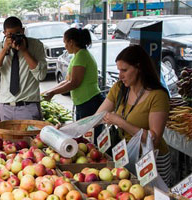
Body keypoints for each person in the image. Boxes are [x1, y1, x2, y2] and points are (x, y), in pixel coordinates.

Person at [96, 45, 171, 186]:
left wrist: (121, 122)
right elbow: (96, 117)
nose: (120, 76)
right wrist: (66, 128)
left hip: (152, 158)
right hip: (127, 155)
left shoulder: (157, 96)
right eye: (119, 70)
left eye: (124, 70)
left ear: (139, 68)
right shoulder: (119, 89)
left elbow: (153, 139)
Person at [43, 28, 104, 142]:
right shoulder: (77, 56)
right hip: (84, 102)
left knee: (89, 137)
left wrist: (53, 92)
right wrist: (50, 91)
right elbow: (67, 80)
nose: (65, 46)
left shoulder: (82, 56)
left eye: (65, 42)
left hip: (89, 102)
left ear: (71, 42)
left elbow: (74, 82)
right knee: (83, 135)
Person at [0, 16, 47, 120]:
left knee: (32, 137)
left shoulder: (36, 45)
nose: (15, 37)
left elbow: (41, 75)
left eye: (18, 33)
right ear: (4, 33)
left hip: (29, 105)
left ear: (23, 31)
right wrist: (4, 50)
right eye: (10, 35)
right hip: (5, 106)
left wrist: (24, 51)